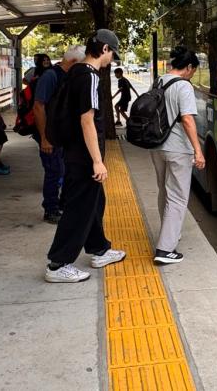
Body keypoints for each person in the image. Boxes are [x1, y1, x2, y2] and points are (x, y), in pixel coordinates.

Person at [44, 30, 127, 282]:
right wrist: (97, 161)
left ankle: (99, 249)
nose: (111, 60)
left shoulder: (74, 72)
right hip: (83, 157)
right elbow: (86, 119)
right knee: (78, 208)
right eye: (112, 53)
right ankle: (58, 264)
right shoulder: (90, 76)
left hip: (73, 152)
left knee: (94, 202)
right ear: (104, 49)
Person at [150, 46, 205, 265]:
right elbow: (188, 120)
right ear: (189, 67)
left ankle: (168, 234)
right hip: (178, 149)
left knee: (164, 190)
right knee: (178, 197)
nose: (192, 74)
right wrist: (198, 150)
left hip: (158, 146)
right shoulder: (184, 86)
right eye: (193, 70)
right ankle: (165, 249)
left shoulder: (159, 81)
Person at [33, 46, 85, 224]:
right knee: (54, 172)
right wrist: (45, 137)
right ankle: (51, 209)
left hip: (64, 136)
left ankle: (62, 204)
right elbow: (38, 107)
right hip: (51, 136)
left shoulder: (69, 76)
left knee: (65, 171)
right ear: (73, 62)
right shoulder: (50, 76)